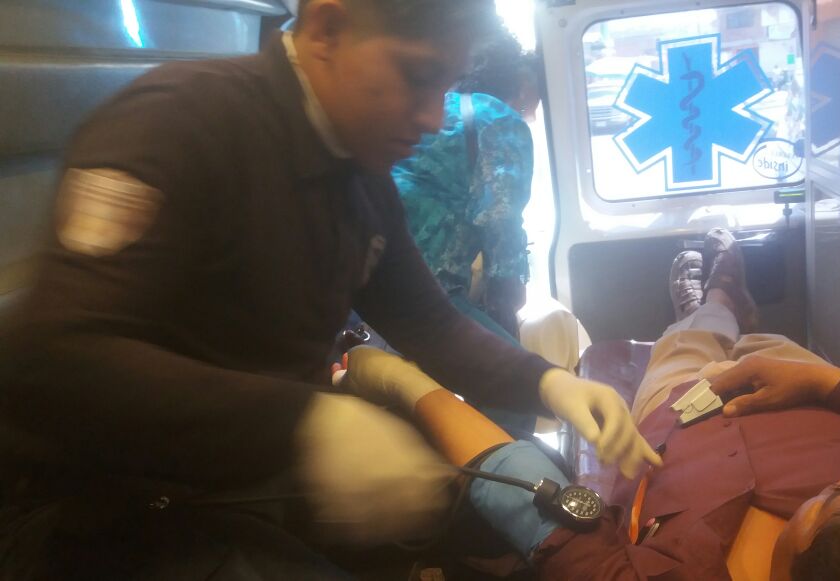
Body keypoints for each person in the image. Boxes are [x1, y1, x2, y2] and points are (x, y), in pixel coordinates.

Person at [0, 1, 659, 578]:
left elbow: (430, 324)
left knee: (512, 528)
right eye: (417, 76)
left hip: (245, 475)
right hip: (106, 511)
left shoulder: (359, 176)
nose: (434, 117)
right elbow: (55, 355)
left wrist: (550, 384)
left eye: (447, 85)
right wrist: (307, 422)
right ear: (326, 29)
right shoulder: (179, 122)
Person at [345, 228, 840, 580]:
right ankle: (727, 296)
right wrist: (827, 385)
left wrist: (397, 379)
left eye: (833, 501)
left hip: (680, 409)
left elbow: (519, 486)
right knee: (749, 338)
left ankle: (713, 296)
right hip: (804, 385)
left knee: (689, 340)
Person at [392, 31, 540, 345]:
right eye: (531, 103)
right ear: (520, 85)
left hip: (377, 278)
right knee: (518, 370)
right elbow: (502, 218)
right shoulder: (500, 121)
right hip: (428, 291)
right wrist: (511, 290)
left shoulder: (439, 107)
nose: (532, 113)